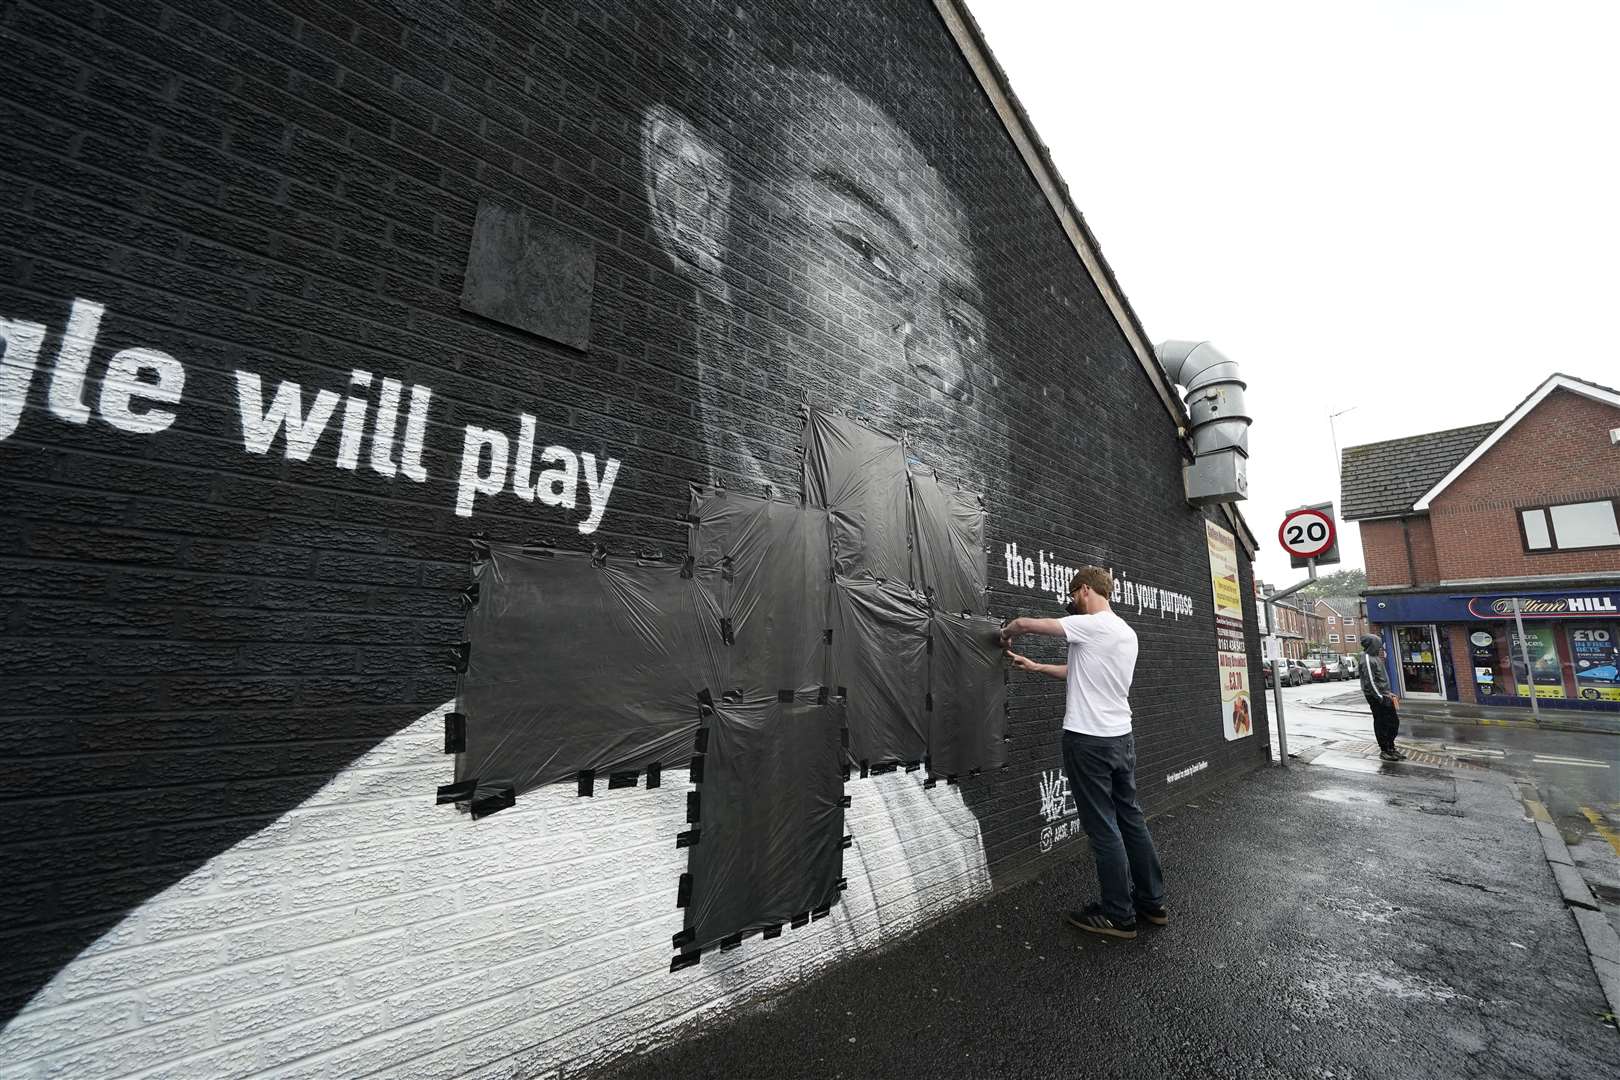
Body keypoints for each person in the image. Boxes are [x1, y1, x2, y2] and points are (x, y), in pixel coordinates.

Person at [1002, 566, 1167, 939]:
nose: (1072, 600)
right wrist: (1038, 666)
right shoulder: (1125, 632)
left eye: (1074, 593)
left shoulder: (1093, 625)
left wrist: (1007, 631)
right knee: (1130, 818)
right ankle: (1151, 903)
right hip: (1121, 739)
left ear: (1087, 590)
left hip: (1088, 741)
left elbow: (1030, 624)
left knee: (1102, 826)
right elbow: (1081, 671)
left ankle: (1117, 914)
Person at [1359, 633, 1406, 761]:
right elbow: (1370, 681)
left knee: (1393, 722)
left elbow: (1381, 679)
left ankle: (1391, 748)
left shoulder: (1375, 657)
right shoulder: (1367, 659)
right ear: (1372, 645)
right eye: (1377, 645)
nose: (1380, 647)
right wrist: (1380, 697)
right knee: (1382, 723)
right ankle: (1385, 750)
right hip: (1376, 697)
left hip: (1384, 695)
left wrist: (1388, 693)